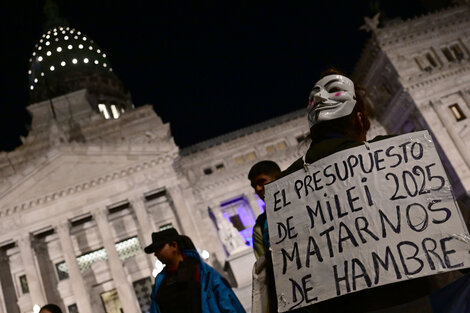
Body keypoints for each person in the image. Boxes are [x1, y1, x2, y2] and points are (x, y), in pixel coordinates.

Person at [279, 69, 469, 312]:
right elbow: (460, 229)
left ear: (312, 132)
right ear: (359, 120)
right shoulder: (399, 157)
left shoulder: (285, 192)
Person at [145, 228, 246, 313]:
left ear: (174, 246)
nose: (156, 254)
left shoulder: (203, 272)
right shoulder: (160, 282)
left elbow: (228, 304)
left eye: (159, 248)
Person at [248, 160, 281, 259]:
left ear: (278, 179)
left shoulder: (304, 203)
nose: (257, 189)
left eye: (261, 182)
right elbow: (263, 265)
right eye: (254, 186)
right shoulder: (260, 227)